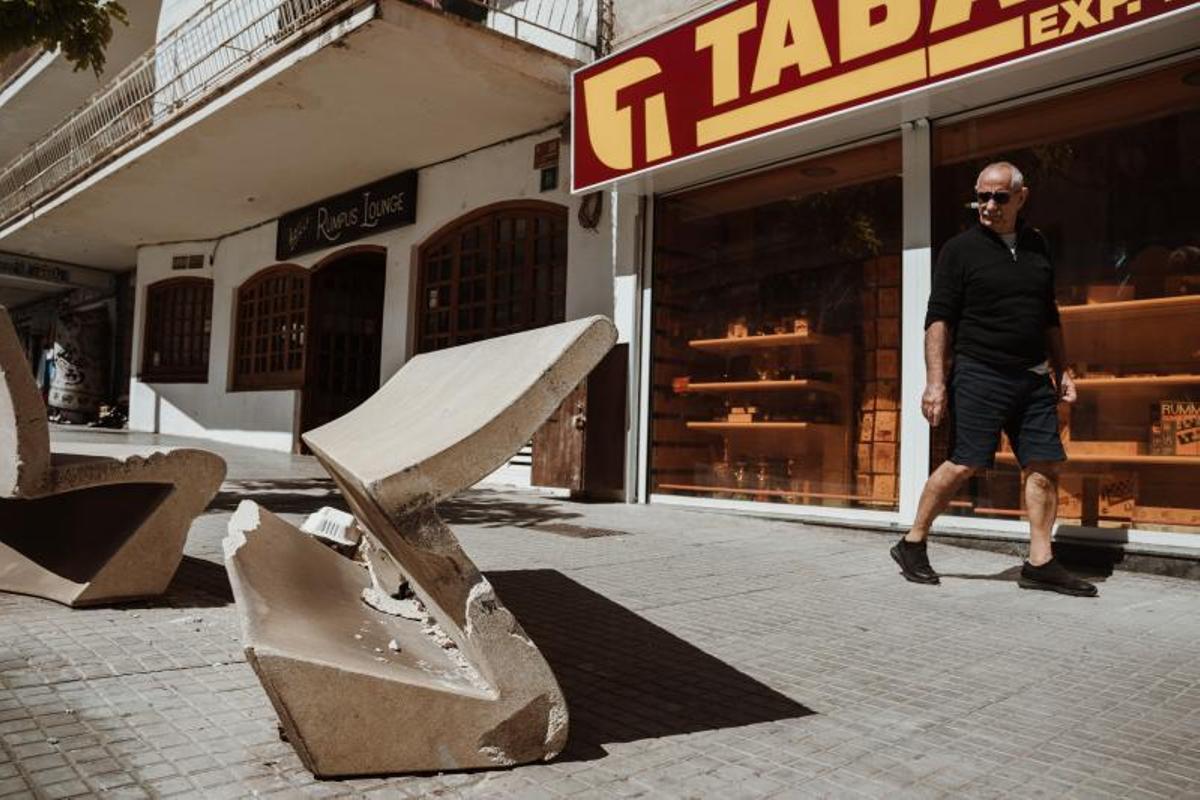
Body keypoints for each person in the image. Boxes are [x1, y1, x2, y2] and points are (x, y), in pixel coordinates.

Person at [890, 161, 1098, 597]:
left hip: (1033, 377)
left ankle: (1040, 562)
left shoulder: (1038, 245)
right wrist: (935, 381)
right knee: (965, 462)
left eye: (999, 197)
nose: (988, 205)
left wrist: (1064, 371)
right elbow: (938, 318)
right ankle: (912, 543)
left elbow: (1049, 316)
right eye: (981, 196)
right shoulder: (959, 250)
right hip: (980, 372)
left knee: (1043, 465)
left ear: (1022, 197)